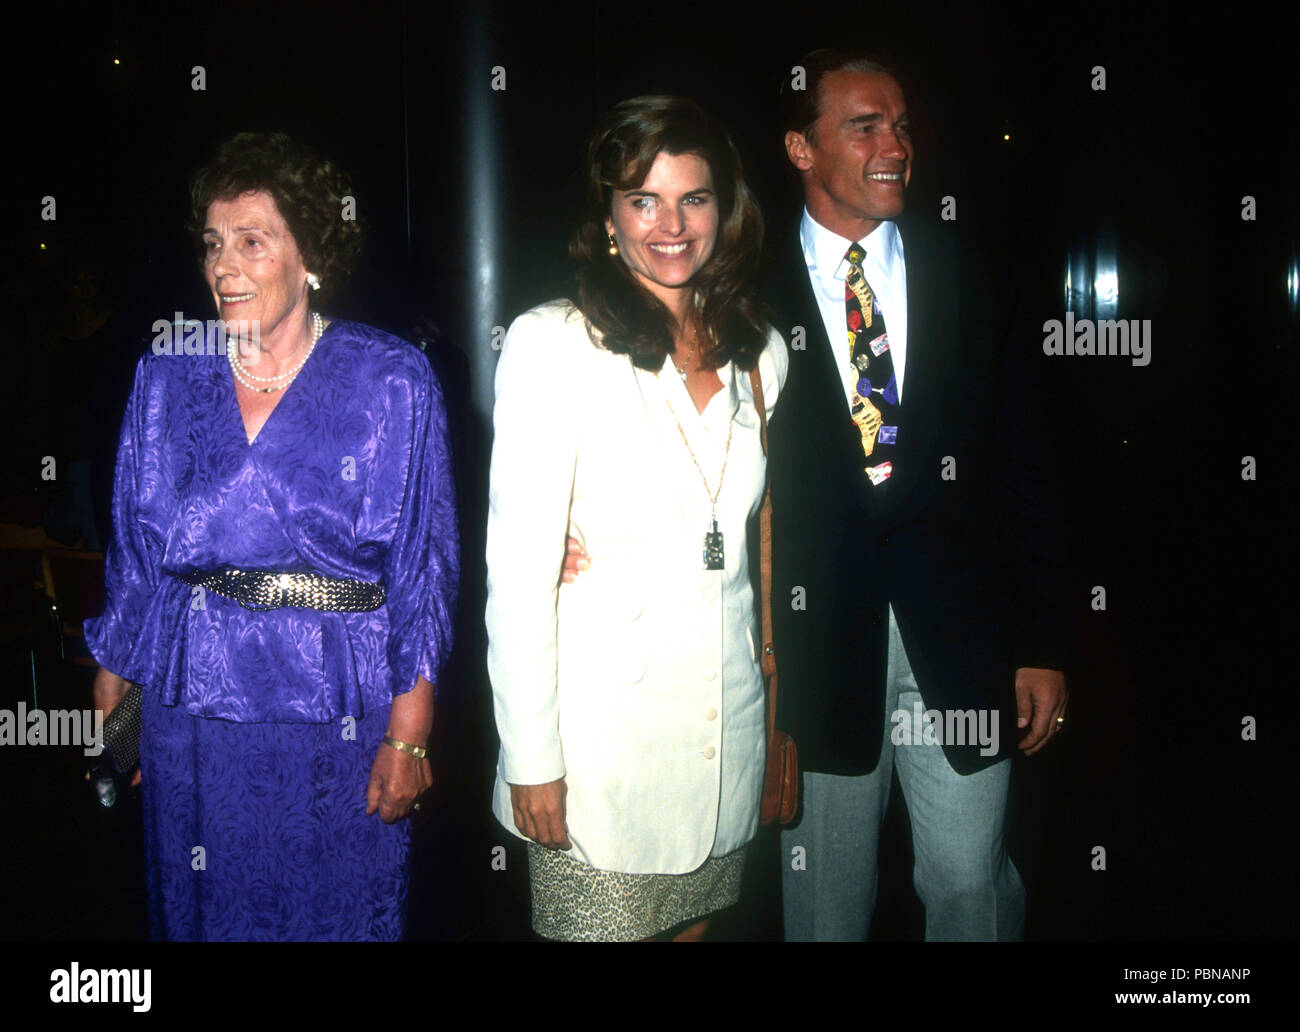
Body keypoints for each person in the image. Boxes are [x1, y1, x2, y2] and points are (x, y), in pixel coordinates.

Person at [83, 132, 459, 941]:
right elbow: (136, 551)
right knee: (204, 909)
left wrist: (412, 732)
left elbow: (422, 568)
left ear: (311, 254)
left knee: (335, 912)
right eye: (214, 244)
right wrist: (116, 696)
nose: (224, 266)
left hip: (340, 716)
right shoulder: (167, 374)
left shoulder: (391, 377)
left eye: (252, 242)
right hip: (194, 704)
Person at [760, 48, 1073, 941]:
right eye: (864, 125)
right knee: (823, 909)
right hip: (818, 657)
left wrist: (1046, 640)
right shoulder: (741, 291)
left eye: (900, 125)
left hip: (965, 643)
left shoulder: (979, 279)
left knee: (973, 888)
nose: (894, 143)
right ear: (801, 147)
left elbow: (1028, 473)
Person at [486, 95, 787, 941]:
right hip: (598, 759)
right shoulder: (555, 345)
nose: (671, 224)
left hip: (720, 747)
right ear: (609, 218)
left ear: (726, 213)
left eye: (694, 198)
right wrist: (532, 760)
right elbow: (517, 575)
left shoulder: (765, 356)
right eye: (642, 200)